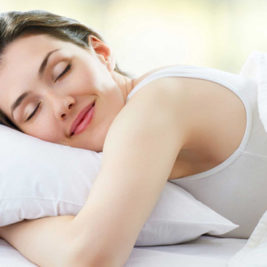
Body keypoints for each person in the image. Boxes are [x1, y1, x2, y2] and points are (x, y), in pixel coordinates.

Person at [0, 9, 265, 267]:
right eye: (32, 110)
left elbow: (88, 257)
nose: (61, 105)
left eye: (62, 72)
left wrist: (10, 225)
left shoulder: (153, 105)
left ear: (101, 53)